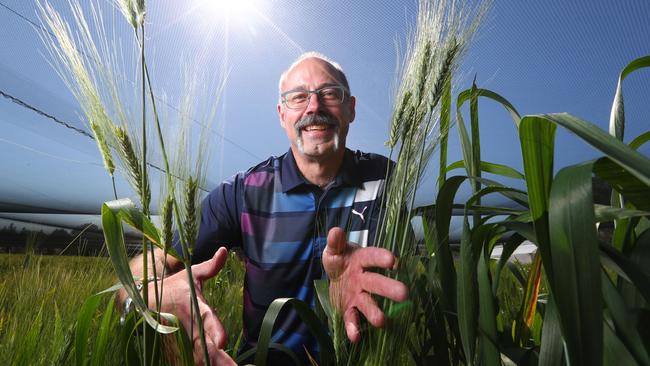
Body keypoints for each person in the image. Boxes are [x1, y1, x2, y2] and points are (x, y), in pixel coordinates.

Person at [120, 52, 408, 365]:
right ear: (282, 114)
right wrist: (148, 292)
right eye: (299, 97)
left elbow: (411, 287)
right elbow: (156, 261)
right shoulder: (243, 192)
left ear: (351, 108)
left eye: (329, 93)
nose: (314, 107)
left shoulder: (386, 180)